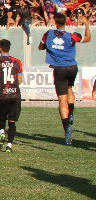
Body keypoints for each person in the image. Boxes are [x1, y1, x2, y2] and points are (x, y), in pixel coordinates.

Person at [37, 12, 90, 145]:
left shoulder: (48, 34)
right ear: (65, 22)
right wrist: (86, 24)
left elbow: (40, 47)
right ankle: (71, 113)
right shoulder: (72, 36)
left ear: (55, 22)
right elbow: (88, 38)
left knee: (62, 99)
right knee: (70, 88)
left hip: (59, 69)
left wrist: (48, 47)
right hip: (72, 67)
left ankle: (67, 129)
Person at [0, 39, 23, 152]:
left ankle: (2, 132)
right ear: (9, 48)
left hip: (2, 95)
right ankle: (9, 146)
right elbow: (20, 80)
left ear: (0, 48)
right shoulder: (17, 62)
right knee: (12, 121)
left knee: (2, 118)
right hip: (15, 95)